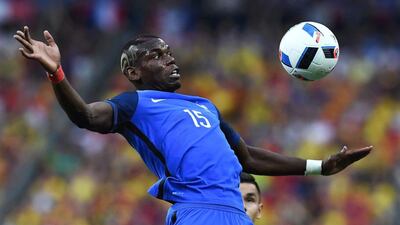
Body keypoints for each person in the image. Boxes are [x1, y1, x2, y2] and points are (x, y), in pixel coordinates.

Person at [14, 26, 372, 225]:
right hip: (198, 212)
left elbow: (246, 157)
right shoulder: (134, 103)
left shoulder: (206, 106)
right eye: (156, 55)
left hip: (235, 214)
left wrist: (321, 168)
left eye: (169, 52)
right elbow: (85, 116)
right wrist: (56, 72)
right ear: (133, 73)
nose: (169, 59)